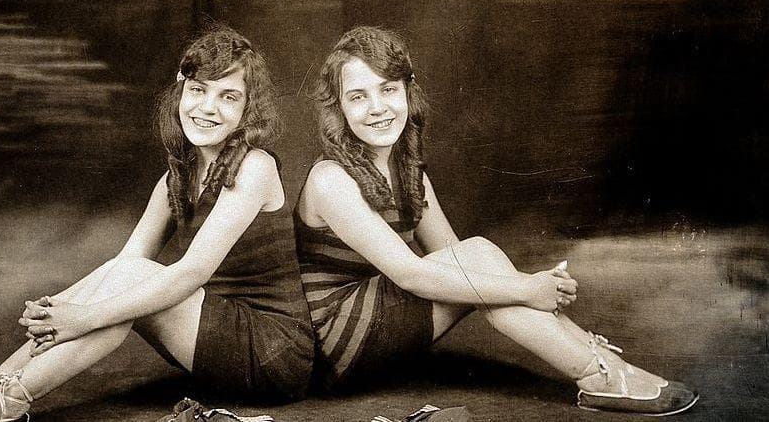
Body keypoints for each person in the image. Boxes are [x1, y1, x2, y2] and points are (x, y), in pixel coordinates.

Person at [293, 26, 698, 416]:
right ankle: (598, 374)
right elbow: (411, 275)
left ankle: (603, 363)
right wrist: (527, 288)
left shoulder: (408, 173)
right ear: (338, 109)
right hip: (334, 342)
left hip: (377, 329)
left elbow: (456, 257)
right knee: (483, 260)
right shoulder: (329, 178)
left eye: (388, 89)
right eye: (358, 97)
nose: (378, 107)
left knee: (479, 260)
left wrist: (532, 288)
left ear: (407, 92)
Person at [0, 26, 314, 422]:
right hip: (215, 338)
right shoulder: (176, 178)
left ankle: (3, 406)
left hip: (272, 352)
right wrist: (57, 309)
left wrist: (79, 317)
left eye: (228, 96)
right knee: (124, 273)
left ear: (248, 110)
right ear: (181, 90)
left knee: (127, 283)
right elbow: (121, 266)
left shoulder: (255, 167)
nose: (207, 107)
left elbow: (191, 273)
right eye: (198, 90)